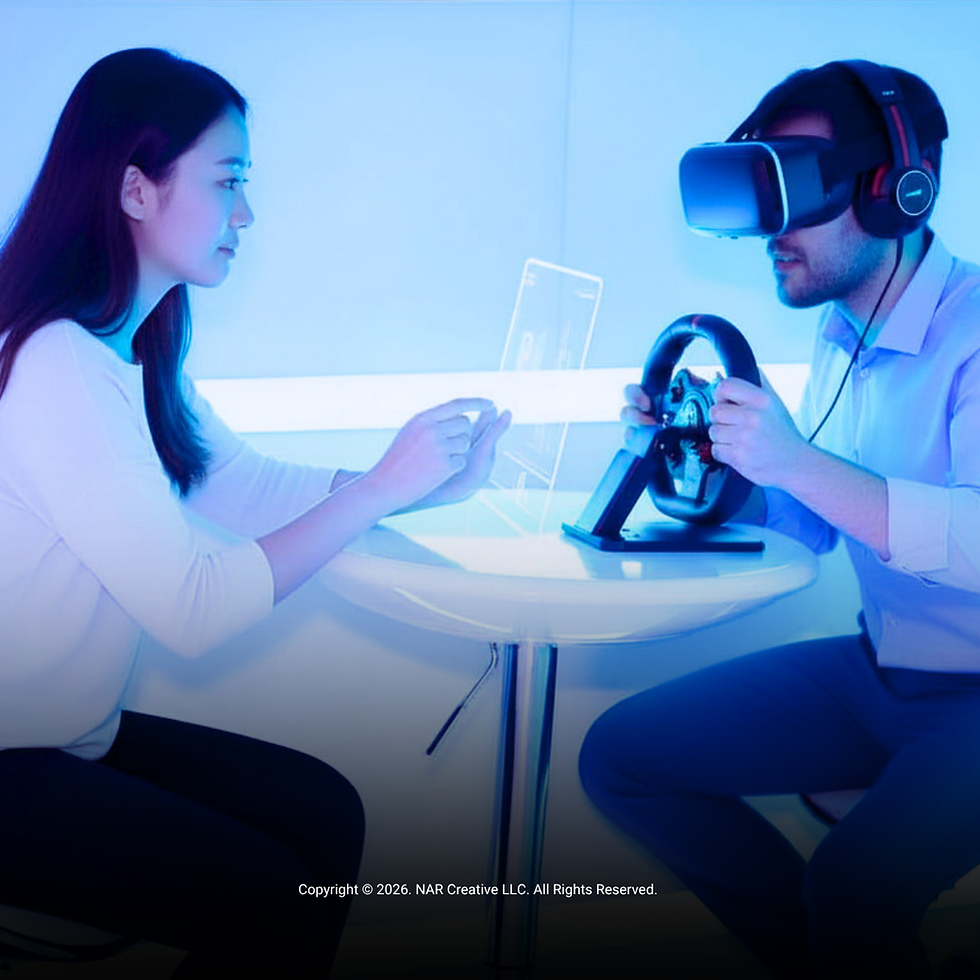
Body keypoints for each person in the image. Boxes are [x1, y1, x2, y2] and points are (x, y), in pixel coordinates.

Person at [0, 48, 509, 978]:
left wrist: (414, 482)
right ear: (136, 191)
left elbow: (240, 485)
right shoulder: (56, 365)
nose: (247, 214)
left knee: (324, 816)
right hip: (15, 761)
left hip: (70, 737)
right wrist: (377, 491)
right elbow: (195, 609)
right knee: (269, 896)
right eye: (229, 181)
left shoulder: (130, 349)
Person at [579, 60, 980, 979]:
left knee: (854, 889)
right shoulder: (844, 329)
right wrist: (704, 455)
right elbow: (809, 523)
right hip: (882, 670)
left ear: (893, 190)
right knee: (624, 758)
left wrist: (796, 458)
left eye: (796, 192)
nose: (771, 233)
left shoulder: (974, 332)